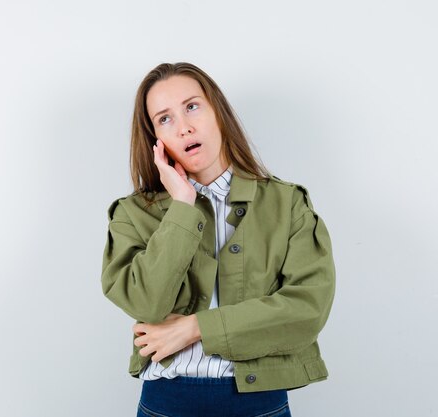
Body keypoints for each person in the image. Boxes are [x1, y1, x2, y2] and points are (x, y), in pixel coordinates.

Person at [101, 62, 336, 417]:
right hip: (166, 403)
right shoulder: (134, 213)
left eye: (192, 106)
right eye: (165, 119)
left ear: (218, 112)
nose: (184, 127)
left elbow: (307, 309)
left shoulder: (287, 204)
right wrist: (182, 205)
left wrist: (196, 328)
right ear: (155, 140)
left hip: (259, 402)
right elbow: (145, 303)